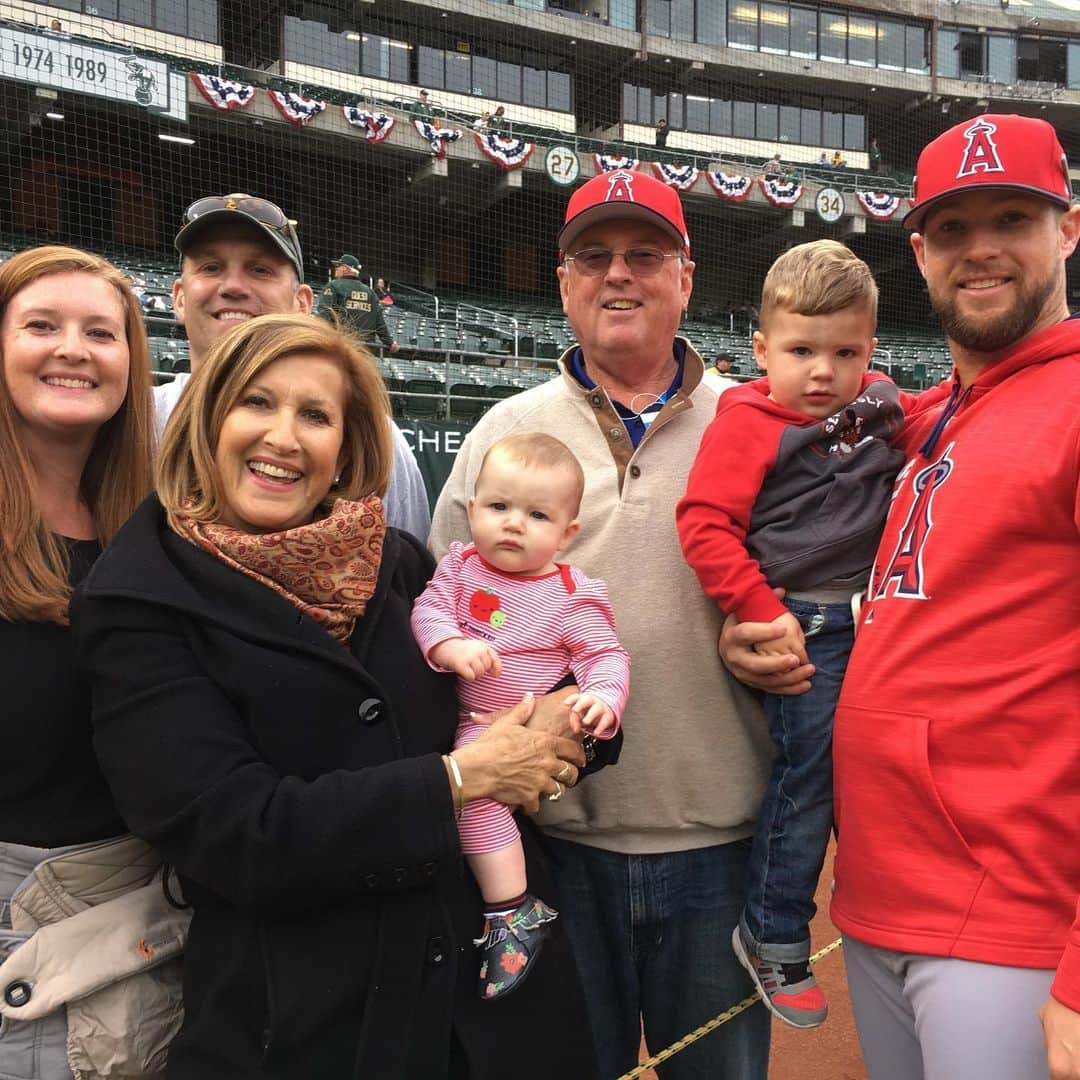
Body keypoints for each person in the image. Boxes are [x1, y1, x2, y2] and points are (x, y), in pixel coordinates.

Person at [72, 313, 599, 1080]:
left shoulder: (397, 560)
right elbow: (235, 833)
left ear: (346, 445)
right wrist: (461, 779)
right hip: (304, 1026)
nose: (284, 437)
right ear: (207, 420)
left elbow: (532, 676)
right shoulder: (136, 601)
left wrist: (570, 723)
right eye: (256, 403)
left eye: (314, 415)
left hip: (486, 1012)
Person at [720, 114, 1080, 1079]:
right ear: (919, 251)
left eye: (1013, 216)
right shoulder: (916, 416)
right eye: (954, 229)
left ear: (1069, 230)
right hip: (880, 897)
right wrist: (745, 620)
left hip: (1012, 919)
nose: (983, 248)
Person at [430, 169, 773, 1079]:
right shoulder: (504, 431)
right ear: (564, 281)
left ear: (686, 277)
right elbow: (433, 617)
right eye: (594, 256)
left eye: (645, 254)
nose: (618, 274)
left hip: (719, 847)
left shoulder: (754, 418)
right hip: (548, 850)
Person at [677, 240, 911, 1029]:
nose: (822, 372)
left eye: (844, 352)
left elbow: (949, 406)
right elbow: (705, 523)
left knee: (884, 769)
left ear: (870, 350)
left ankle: (899, 913)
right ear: (761, 349)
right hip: (802, 623)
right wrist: (754, 607)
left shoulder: (880, 401)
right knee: (806, 774)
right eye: (802, 350)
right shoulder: (748, 420)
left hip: (879, 619)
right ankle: (773, 932)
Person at [0, 246, 156, 1076]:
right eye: (41, 326)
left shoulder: (152, 524)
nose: (73, 349)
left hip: (141, 920)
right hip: (20, 924)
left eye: (102, 332)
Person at [412, 433, 630, 1000]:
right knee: (466, 806)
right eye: (498, 507)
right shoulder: (459, 570)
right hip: (474, 725)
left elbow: (605, 655)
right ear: (473, 507)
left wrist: (603, 700)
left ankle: (511, 911)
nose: (513, 524)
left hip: (532, 731)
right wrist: (449, 647)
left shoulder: (571, 595)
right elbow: (428, 611)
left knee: (476, 811)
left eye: (537, 515)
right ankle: (512, 907)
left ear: (567, 533)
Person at [161, 194, 429, 540]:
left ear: (302, 303)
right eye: (211, 267)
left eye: (260, 270)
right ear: (179, 298)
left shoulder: (376, 439)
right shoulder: (133, 419)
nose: (233, 287)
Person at [320, 254, 400, 355]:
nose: (336, 268)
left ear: (345, 269)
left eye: (338, 266)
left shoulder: (333, 286)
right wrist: (390, 342)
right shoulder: (370, 292)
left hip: (341, 348)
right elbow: (379, 322)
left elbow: (325, 314)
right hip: (365, 351)